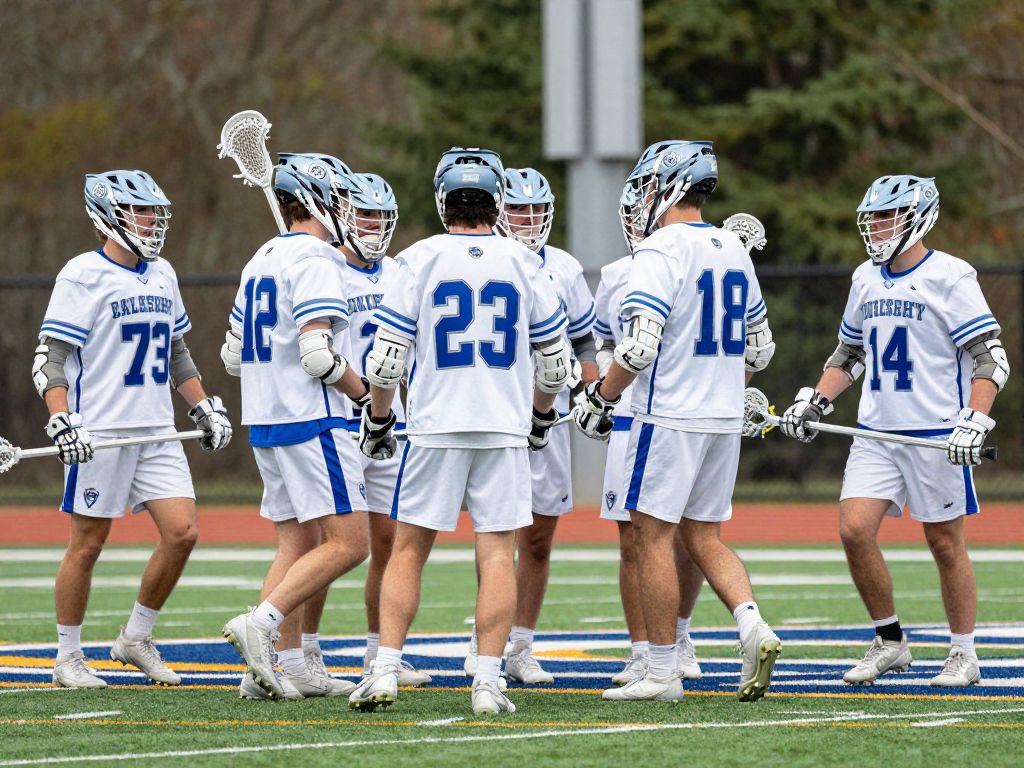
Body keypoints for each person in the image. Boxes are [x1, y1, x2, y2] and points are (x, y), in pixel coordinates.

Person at [348, 147, 572, 715]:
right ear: (496, 201)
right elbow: (552, 363)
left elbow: (387, 362)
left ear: (442, 199)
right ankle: (489, 680)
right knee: (498, 551)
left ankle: (384, 669)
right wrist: (542, 416)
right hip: (502, 426)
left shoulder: (416, 260)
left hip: (435, 424)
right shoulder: (524, 262)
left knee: (409, 549)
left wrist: (378, 417)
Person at [572, 140, 780, 703]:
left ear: (667, 186)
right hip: (720, 417)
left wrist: (600, 397)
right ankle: (751, 624)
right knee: (706, 537)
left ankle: (662, 671)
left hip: (667, 415)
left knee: (651, 538)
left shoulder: (659, 251)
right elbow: (759, 352)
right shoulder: (734, 249)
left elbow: (638, 347)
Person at [780, 175, 1008, 687]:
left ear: (919, 217)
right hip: (876, 431)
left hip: (934, 432)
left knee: (945, 543)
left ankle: (964, 652)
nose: (879, 227)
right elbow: (851, 354)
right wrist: (816, 399)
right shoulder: (865, 277)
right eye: (874, 218)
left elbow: (990, 358)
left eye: (888, 216)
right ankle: (890, 641)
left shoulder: (951, 275)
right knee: (854, 530)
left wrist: (974, 419)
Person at [35, 169, 232, 689]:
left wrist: (202, 406)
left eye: (154, 212)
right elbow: (51, 358)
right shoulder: (82, 273)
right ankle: (67, 656)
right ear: (108, 217)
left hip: (157, 430)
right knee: (88, 544)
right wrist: (62, 417)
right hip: (101, 430)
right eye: (140, 212)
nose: (150, 222)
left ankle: (135, 637)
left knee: (183, 532)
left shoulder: (163, 272)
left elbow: (175, 353)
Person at [220, 153, 371, 700]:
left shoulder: (260, 256)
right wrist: (367, 398)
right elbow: (316, 352)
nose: (349, 209)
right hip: (311, 417)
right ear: (317, 199)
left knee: (296, 542)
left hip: (265, 416)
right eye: (344, 197)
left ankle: (271, 668)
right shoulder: (318, 258)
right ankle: (261, 625)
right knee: (352, 543)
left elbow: (232, 356)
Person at [462, 167, 598, 684]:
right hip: (496, 412)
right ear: (498, 211)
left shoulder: (562, 268)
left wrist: (590, 394)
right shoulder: (485, 261)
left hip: (551, 416)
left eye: (537, 210)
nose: (529, 219)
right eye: (518, 209)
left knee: (538, 537)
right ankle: (485, 641)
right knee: (497, 532)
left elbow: (584, 341)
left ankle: (520, 645)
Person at [593, 183, 704, 687]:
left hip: (674, 412)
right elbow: (603, 342)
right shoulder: (617, 274)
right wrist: (603, 389)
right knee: (634, 540)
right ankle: (644, 649)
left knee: (687, 534)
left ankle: (676, 636)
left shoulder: (682, 258)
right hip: (630, 414)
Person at [330, 167, 430, 687]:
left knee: (390, 541)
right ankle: (301, 652)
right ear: (343, 213)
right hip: (341, 420)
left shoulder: (402, 271)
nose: (374, 225)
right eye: (365, 213)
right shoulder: (324, 269)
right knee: (326, 542)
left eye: (382, 216)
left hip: (394, 423)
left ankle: (379, 653)